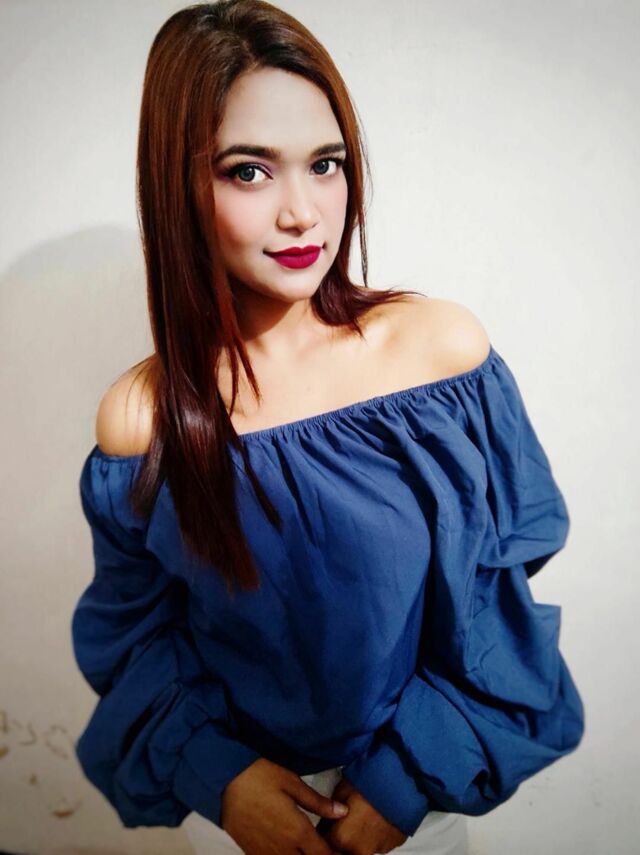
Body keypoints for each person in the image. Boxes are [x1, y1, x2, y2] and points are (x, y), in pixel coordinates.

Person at [70, 2, 585, 854]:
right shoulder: (142, 422)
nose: (304, 213)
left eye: (326, 164)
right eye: (249, 171)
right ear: (178, 188)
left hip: (414, 804)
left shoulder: (438, 359)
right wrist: (223, 778)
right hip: (248, 820)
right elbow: (135, 638)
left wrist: (403, 778)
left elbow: (494, 598)